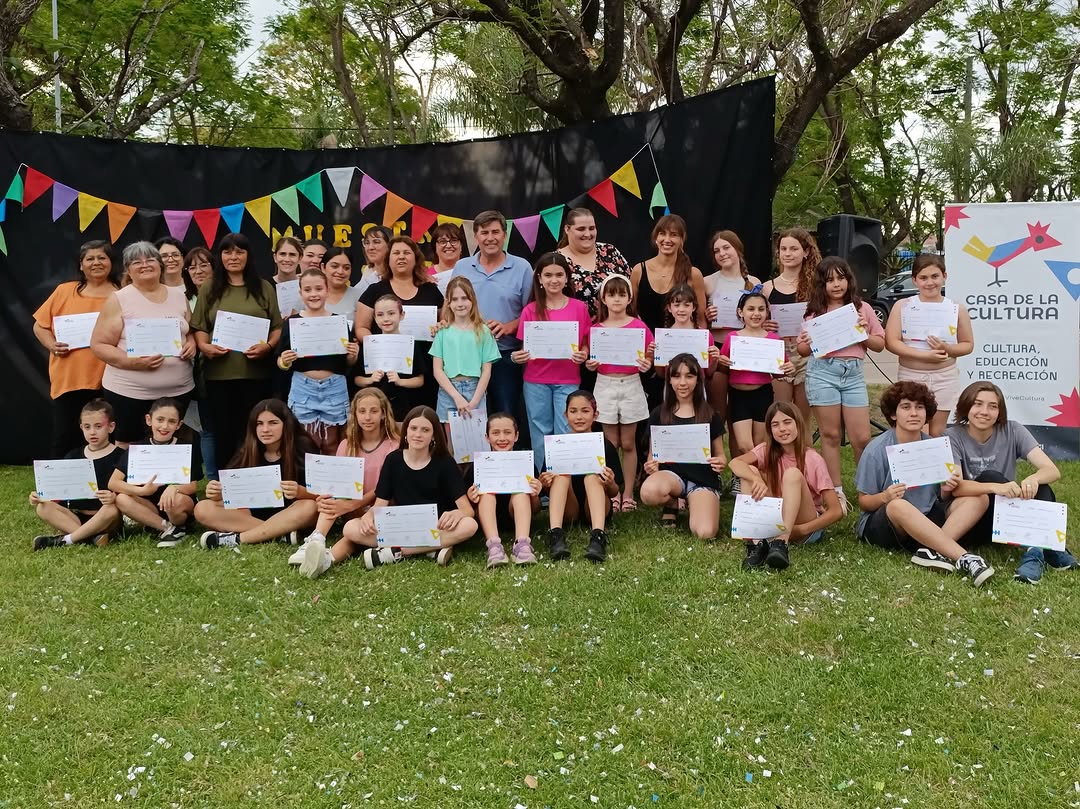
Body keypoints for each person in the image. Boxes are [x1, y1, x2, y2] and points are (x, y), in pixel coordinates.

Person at [300, 405, 478, 577]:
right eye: (413, 428)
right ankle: (430, 549)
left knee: (470, 525)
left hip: (436, 526)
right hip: (400, 525)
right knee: (350, 528)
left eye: (425, 430)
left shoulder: (445, 463)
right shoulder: (393, 460)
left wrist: (456, 513)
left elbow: (467, 510)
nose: (418, 434)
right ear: (406, 432)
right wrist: (369, 518)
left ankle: (397, 552)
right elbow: (380, 503)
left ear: (434, 435)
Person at [854, 381, 994, 587]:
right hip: (888, 524)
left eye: (919, 407)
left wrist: (947, 488)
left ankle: (931, 550)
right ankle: (965, 559)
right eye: (906, 407)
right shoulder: (877, 449)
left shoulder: (934, 447)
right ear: (893, 414)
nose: (914, 413)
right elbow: (864, 502)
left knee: (978, 499)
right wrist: (885, 496)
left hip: (926, 519)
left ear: (926, 413)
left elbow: (941, 498)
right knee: (898, 505)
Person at [946, 381, 1078, 584]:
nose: (984, 411)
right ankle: (1049, 548)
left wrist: (1033, 478)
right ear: (966, 407)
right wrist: (996, 486)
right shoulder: (952, 436)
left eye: (993, 406)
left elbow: (1052, 470)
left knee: (1041, 487)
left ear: (1000, 412)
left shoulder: (1013, 429)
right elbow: (956, 488)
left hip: (1006, 516)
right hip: (973, 517)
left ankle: (1036, 553)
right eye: (977, 404)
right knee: (992, 476)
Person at [795, 256, 884, 514]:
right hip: (823, 373)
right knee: (831, 435)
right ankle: (836, 494)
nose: (836, 284)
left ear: (848, 280)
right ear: (821, 284)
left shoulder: (861, 308)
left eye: (841, 278)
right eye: (829, 280)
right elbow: (802, 350)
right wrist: (806, 340)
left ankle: (867, 490)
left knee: (862, 437)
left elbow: (880, 344)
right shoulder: (814, 313)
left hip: (853, 375)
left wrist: (865, 332)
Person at [191, 232, 283, 471]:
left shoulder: (263, 287)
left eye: (239, 251)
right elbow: (199, 327)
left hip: (257, 375)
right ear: (220, 256)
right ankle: (226, 490)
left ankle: (258, 486)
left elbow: (277, 327)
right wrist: (204, 346)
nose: (233, 257)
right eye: (227, 251)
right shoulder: (210, 288)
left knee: (257, 434)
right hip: (219, 376)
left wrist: (269, 346)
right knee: (224, 436)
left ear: (248, 255)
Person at [91, 241, 196, 445]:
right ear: (128, 270)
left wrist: (192, 343)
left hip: (178, 391)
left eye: (150, 259)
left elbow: (190, 331)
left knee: (172, 445)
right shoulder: (119, 299)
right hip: (129, 393)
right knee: (128, 446)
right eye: (137, 262)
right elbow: (99, 345)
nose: (145, 264)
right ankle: (125, 479)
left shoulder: (179, 296)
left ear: (160, 265)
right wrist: (134, 363)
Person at [287, 388, 400, 567]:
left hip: (382, 507)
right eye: (362, 411)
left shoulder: (394, 446)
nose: (368, 417)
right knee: (332, 496)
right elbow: (340, 487)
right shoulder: (346, 445)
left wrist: (353, 504)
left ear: (384, 414)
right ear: (354, 414)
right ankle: (316, 539)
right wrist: (341, 503)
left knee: (352, 535)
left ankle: (326, 560)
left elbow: (386, 487)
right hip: (351, 508)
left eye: (374, 411)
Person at [728, 402, 842, 570]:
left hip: (805, 525)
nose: (782, 429)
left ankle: (781, 543)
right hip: (776, 521)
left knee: (792, 474)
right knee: (749, 470)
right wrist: (756, 478)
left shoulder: (812, 458)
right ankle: (757, 545)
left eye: (787, 422)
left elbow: (836, 510)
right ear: (770, 430)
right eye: (775, 424)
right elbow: (735, 463)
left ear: (798, 424)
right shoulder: (767, 450)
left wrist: (802, 529)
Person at [33, 240, 121, 457]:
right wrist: (51, 344)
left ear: (111, 262)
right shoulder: (64, 291)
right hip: (70, 379)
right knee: (66, 435)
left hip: (112, 378)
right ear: (81, 265)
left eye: (102, 257)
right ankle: (56, 488)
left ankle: (108, 485)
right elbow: (40, 326)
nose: (96, 263)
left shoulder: (123, 293)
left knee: (110, 435)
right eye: (89, 259)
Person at [197, 399, 319, 548]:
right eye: (259, 424)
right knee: (202, 508)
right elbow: (232, 493)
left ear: (286, 424)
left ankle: (237, 538)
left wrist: (300, 491)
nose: (265, 429)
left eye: (273, 423)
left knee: (310, 507)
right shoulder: (248, 449)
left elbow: (322, 495)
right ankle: (279, 534)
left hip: (291, 512)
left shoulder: (303, 447)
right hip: (251, 514)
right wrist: (217, 492)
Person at [512, 252, 591, 472]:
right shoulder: (530, 310)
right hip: (536, 380)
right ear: (539, 278)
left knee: (567, 429)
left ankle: (567, 482)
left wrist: (583, 354)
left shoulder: (579, 308)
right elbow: (523, 348)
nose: (554, 280)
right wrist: (518, 356)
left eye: (559, 274)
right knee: (540, 431)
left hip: (568, 379)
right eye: (548, 275)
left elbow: (585, 343)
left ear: (567, 278)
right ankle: (546, 484)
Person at [450, 211, 534, 415]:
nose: (490, 238)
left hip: (505, 355)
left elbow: (531, 313)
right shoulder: (462, 266)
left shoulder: (522, 267)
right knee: (469, 413)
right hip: (466, 355)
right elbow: (451, 306)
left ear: (505, 235)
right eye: (484, 232)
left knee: (505, 413)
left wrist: (508, 327)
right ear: (476, 236)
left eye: (496, 232)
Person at [585, 274, 653, 512]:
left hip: (632, 384)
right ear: (603, 298)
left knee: (628, 442)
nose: (616, 299)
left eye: (622, 294)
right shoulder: (596, 328)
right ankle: (612, 491)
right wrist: (590, 365)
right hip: (605, 384)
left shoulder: (638, 326)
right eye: (611, 294)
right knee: (611, 441)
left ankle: (628, 493)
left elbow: (649, 356)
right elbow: (588, 356)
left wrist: (647, 364)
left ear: (629, 298)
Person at [885, 254, 973, 436]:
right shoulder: (903, 306)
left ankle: (935, 464)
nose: (930, 282)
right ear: (914, 280)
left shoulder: (957, 308)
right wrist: (924, 356)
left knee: (937, 431)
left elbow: (967, 344)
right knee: (915, 428)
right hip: (911, 376)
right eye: (923, 278)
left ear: (944, 276)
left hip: (944, 377)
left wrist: (948, 349)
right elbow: (891, 342)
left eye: (935, 276)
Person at [640, 354, 727, 536]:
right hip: (672, 477)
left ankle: (697, 503)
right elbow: (652, 456)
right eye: (676, 376)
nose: (682, 382)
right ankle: (672, 503)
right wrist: (651, 466)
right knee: (648, 492)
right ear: (669, 380)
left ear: (697, 380)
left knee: (705, 533)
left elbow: (721, 455)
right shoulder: (659, 414)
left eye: (689, 376)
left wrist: (719, 463)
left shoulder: (710, 415)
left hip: (702, 480)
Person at [276, 268, 360, 454]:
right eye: (307, 290)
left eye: (318, 289)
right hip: (303, 387)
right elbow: (280, 362)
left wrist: (353, 354)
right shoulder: (292, 323)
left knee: (333, 442)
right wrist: (284, 360)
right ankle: (308, 482)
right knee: (307, 442)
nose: (313, 294)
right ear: (300, 293)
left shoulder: (339, 322)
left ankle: (331, 480)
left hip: (334, 386)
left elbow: (348, 363)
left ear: (327, 290)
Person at [537, 389, 622, 563]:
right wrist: (545, 483)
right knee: (561, 476)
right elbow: (545, 491)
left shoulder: (605, 445)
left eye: (585, 411)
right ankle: (556, 535)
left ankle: (598, 536)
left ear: (595, 414)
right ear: (565, 415)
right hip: (570, 510)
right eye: (573, 411)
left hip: (596, 510)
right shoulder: (557, 446)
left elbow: (614, 492)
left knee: (592, 477)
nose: (579, 417)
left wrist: (610, 482)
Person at [30, 398, 125, 550]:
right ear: (81, 428)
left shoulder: (121, 456)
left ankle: (65, 540)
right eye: (87, 427)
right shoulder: (73, 455)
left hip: (105, 518)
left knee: (111, 509)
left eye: (98, 426)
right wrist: (40, 495)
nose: (92, 432)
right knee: (43, 507)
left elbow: (128, 493)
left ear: (111, 427)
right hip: (77, 517)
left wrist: (114, 497)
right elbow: (58, 490)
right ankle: (89, 537)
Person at [107, 396, 202, 547]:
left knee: (174, 500)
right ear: (149, 420)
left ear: (179, 425)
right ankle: (167, 528)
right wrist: (142, 491)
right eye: (160, 420)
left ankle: (179, 525)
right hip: (149, 505)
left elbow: (192, 486)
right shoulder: (138, 449)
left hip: (179, 504)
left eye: (171, 421)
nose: (165, 426)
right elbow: (113, 483)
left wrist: (174, 487)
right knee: (121, 498)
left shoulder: (186, 448)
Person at [718, 291, 793, 464]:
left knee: (760, 444)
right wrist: (722, 361)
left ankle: (760, 480)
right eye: (750, 309)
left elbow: (778, 371)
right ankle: (748, 478)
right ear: (740, 312)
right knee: (745, 445)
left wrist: (789, 368)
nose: (756, 313)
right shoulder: (733, 338)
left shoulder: (773, 339)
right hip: (738, 395)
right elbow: (723, 368)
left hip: (762, 394)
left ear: (767, 312)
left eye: (761, 309)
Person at [465, 412, 541, 568]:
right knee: (486, 493)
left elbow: (536, 509)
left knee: (520, 493)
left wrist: (534, 495)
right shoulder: (477, 467)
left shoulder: (526, 464)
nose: (502, 438)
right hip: (487, 520)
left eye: (507, 432)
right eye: (495, 433)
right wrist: (471, 498)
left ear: (516, 436)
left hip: (516, 517)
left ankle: (522, 545)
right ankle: (494, 547)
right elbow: (470, 509)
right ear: (487, 437)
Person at [703, 230, 761, 430]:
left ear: (737, 249)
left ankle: (739, 460)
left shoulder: (754, 283)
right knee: (717, 414)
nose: (722, 253)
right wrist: (707, 316)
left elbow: (759, 318)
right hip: (718, 350)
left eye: (726, 247)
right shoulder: (708, 281)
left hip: (744, 350)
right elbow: (699, 321)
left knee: (739, 416)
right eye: (717, 250)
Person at [430, 277, 501, 436]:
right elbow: (437, 370)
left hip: (475, 390)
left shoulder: (483, 331)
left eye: (464, 298)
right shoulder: (443, 332)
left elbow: (486, 370)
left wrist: (475, 401)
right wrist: (457, 397)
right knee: (452, 444)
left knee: (476, 441)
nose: (460, 303)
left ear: (472, 300)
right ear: (448, 302)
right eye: (454, 299)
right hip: (449, 392)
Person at [762, 228, 819, 427]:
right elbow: (756, 320)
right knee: (781, 416)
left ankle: (804, 458)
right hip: (779, 354)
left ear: (806, 252)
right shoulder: (767, 287)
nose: (787, 253)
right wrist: (765, 324)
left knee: (802, 420)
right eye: (783, 248)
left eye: (793, 249)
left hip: (806, 355)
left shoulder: (816, 286)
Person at [354, 295, 429, 422]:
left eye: (391, 313)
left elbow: (420, 380)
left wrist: (400, 381)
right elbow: (357, 379)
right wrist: (370, 379)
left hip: (403, 405)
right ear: (375, 318)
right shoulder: (369, 344)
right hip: (375, 408)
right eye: (380, 314)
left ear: (402, 315)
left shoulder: (410, 344)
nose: (386, 319)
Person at [354, 236, 444, 338]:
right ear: (388, 259)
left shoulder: (430, 290)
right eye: (396, 253)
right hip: (385, 353)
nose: (401, 257)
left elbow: (445, 322)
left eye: (406, 253)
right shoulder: (374, 290)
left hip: (425, 353)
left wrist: (441, 327)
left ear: (416, 259)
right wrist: (376, 345)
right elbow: (361, 328)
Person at [556, 207, 632, 320]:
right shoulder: (556, 261)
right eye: (581, 229)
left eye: (591, 228)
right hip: (575, 331)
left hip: (615, 329)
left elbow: (631, 287)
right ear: (567, 229)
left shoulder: (610, 251)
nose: (587, 234)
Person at [183, 246, 217, 479]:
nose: (198, 270)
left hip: (227, 368)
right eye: (192, 266)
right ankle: (213, 478)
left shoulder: (225, 295)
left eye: (204, 264)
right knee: (207, 429)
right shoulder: (181, 299)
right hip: (195, 372)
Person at [651, 283, 719, 378]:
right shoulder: (662, 337)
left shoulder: (705, 336)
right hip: (671, 388)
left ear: (693, 307)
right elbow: (661, 374)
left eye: (686, 305)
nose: (681, 309)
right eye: (677, 305)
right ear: (670, 308)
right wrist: (655, 356)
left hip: (697, 388)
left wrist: (715, 359)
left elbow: (708, 373)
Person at [320, 247, 364, 328]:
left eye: (346, 268)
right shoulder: (310, 295)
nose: (340, 272)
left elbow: (364, 328)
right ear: (323, 267)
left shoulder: (360, 296)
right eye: (334, 266)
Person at [355, 226, 392, 298]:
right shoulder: (368, 270)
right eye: (366, 243)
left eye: (376, 242)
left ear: (389, 245)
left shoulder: (397, 273)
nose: (370, 248)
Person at [155, 237, 196, 301]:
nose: (171, 260)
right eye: (164, 256)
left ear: (184, 258)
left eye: (175, 255)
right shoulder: (151, 288)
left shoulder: (195, 285)